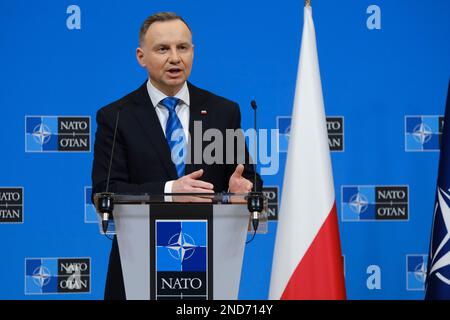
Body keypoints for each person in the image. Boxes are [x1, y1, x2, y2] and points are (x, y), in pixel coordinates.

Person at [91, 12, 262, 300]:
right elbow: (106, 191)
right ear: (141, 56)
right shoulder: (116, 116)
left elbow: (249, 179)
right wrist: (170, 191)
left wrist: (242, 190)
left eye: (182, 47)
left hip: (208, 262)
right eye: (162, 49)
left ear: (193, 52)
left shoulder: (223, 112)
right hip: (136, 265)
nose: (175, 57)